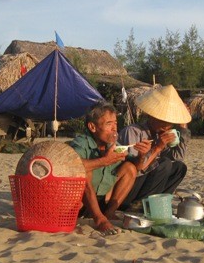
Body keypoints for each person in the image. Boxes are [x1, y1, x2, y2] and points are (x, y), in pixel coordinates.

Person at [118, 85, 192, 209]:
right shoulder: (133, 132)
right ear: (152, 116)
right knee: (164, 164)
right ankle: (142, 204)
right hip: (127, 187)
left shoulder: (161, 134)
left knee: (179, 167)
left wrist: (183, 128)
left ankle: (157, 203)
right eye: (163, 120)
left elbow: (178, 157)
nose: (167, 125)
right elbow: (135, 169)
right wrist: (157, 147)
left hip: (147, 184)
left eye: (170, 122)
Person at [70, 102, 137, 235]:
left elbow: (137, 169)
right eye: (108, 124)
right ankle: (99, 219)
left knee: (130, 168)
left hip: (101, 199)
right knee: (84, 172)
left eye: (115, 123)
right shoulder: (81, 142)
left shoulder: (113, 145)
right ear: (92, 127)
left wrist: (144, 155)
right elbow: (72, 165)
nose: (114, 128)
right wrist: (104, 161)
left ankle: (109, 213)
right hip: (79, 204)